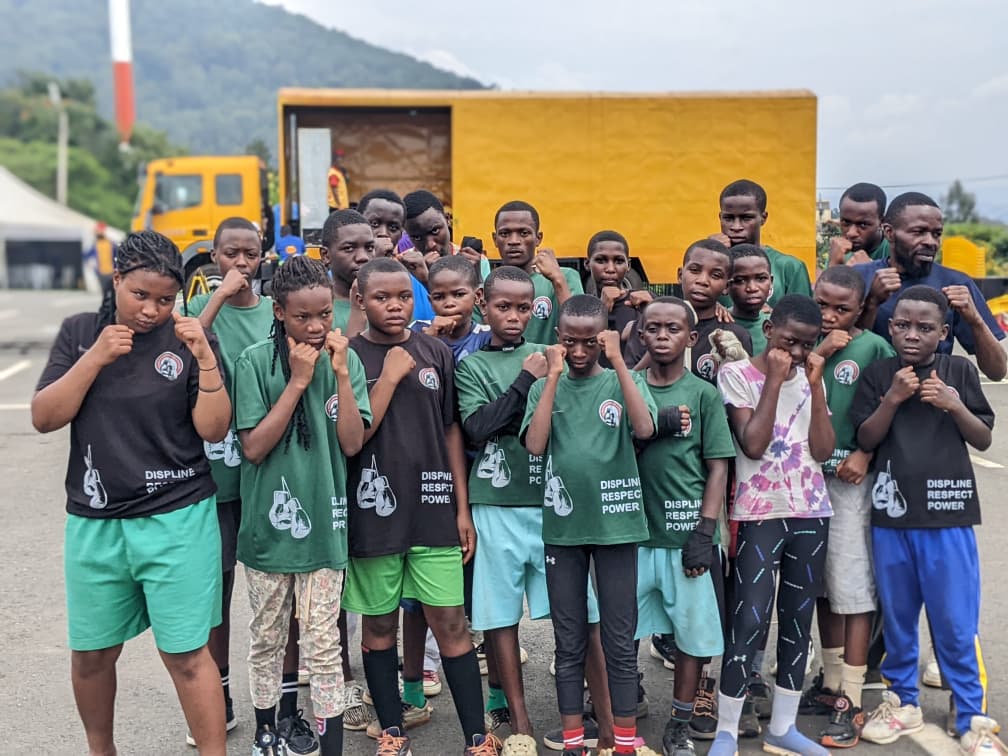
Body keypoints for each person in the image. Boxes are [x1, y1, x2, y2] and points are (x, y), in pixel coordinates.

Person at [32, 230, 232, 756]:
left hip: (178, 518)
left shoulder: (189, 339)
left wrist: (205, 358)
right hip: (96, 523)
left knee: (187, 655)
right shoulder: (81, 333)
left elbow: (214, 430)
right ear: (117, 279)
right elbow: (44, 417)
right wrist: (95, 358)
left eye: (165, 300)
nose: (151, 310)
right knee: (92, 655)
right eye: (140, 294)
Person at [343, 257, 500, 755]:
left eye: (404, 296)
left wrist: (461, 508)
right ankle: (392, 731)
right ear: (359, 300)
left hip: (433, 508)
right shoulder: (347, 357)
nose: (395, 306)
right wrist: (389, 377)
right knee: (379, 623)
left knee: (450, 621)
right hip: (373, 513)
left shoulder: (435, 351)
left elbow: (452, 429)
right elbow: (351, 439)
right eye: (381, 297)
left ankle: (476, 737)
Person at [455, 266, 610, 753]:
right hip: (495, 505)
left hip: (553, 506)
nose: (514, 316)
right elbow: (478, 427)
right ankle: (520, 726)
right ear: (483, 304)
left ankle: (606, 726)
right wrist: (526, 380)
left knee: (582, 615)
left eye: (524, 307)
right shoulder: (473, 365)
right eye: (503, 306)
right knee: (500, 616)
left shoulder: (554, 355)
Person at [851, 286, 1004, 753]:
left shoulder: (959, 370)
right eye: (902, 325)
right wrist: (893, 399)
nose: (912, 335)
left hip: (948, 515)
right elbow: (866, 438)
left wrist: (954, 404)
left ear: (943, 332)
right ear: (890, 327)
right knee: (898, 619)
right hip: (892, 519)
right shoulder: (880, 375)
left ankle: (972, 716)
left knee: (955, 620)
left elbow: (983, 438)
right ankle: (903, 702)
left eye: (925, 328)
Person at [234, 255, 370, 756]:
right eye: (302, 317)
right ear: (279, 312)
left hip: (326, 529)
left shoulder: (345, 360)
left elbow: (352, 443)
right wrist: (296, 382)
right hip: (268, 533)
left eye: (324, 315)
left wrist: (341, 374)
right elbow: (253, 448)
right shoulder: (254, 362)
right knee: (267, 638)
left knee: (324, 644)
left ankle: (331, 747)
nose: (316, 327)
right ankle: (265, 732)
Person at [522, 294, 660, 756]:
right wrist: (552, 376)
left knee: (620, 641)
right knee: (569, 641)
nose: (579, 352)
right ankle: (574, 743)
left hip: (617, 527)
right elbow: (535, 445)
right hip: (563, 531)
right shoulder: (547, 385)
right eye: (569, 342)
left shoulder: (625, 380)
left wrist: (619, 361)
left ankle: (624, 743)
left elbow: (644, 429)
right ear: (557, 339)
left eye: (589, 343)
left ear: (604, 339)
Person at [710, 295, 834, 756]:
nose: (797, 353)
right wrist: (776, 382)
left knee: (799, 620)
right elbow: (754, 444)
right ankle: (726, 730)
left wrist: (815, 388)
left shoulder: (810, 378)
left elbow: (823, 450)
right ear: (768, 330)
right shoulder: (736, 375)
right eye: (788, 341)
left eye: (807, 344)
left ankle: (783, 727)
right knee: (750, 618)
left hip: (811, 512)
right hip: (759, 513)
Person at [183, 217, 275, 747]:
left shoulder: (273, 311)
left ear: (263, 257)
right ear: (214, 257)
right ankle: (217, 696)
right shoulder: (198, 307)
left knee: (274, 594)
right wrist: (218, 298)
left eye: (250, 254)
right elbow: (186, 349)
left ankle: (278, 696)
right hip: (214, 480)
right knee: (215, 593)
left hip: (266, 476)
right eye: (230, 253)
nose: (241, 263)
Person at [633, 296, 735, 756]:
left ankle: (679, 722)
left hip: (684, 534)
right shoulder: (627, 386)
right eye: (653, 328)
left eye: (672, 329)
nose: (661, 336)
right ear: (640, 334)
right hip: (632, 534)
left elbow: (718, 467)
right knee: (620, 631)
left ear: (691, 338)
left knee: (692, 636)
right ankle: (622, 704)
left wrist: (704, 531)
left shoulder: (703, 394)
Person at [800, 266, 895, 748]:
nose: (830, 315)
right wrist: (817, 353)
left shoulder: (874, 348)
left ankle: (852, 700)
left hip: (848, 482)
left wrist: (865, 453)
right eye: (822, 304)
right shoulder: (800, 343)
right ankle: (831, 679)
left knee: (853, 587)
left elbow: (890, 411)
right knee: (821, 585)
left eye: (842, 308)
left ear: (861, 310)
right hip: (803, 480)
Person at [854, 191, 1007, 381]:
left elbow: (997, 371)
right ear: (889, 232)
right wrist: (872, 303)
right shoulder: (859, 278)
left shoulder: (957, 283)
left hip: (933, 395)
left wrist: (976, 320)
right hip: (870, 395)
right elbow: (844, 356)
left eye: (937, 234)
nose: (930, 242)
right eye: (918, 232)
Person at [492, 200, 584, 346]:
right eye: (505, 234)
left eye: (524, 233)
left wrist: (558, 281)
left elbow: (581, 329)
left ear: (538, 238)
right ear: (495, 239)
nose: (514, 241)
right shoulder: (489, 284)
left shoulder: (565, 277)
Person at [716, 179, 812, 306]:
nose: (736, 226)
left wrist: (771, 315)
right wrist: (709, 255)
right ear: (720, 217)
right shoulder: (711, 263)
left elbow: (803, 315)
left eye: (746, 218)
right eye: (728, 218)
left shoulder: (789, 267)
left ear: (763, 218)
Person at [678, 238, 753, 384]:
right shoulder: (656, 325)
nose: (702, 281)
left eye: (715, 275)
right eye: (695, 270)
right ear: (680, 275)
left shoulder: (734, 336)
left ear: (726, 286)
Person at [357, 188, 435, 321]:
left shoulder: (413, 278)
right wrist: (371, 261)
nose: (383, 233)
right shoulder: (338, 276)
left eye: (393, 228)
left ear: (401, 235)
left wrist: (426, 280)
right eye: (374, 224)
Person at [586, 230, 652, 368]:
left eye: (619, 261)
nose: (610, 269)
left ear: (628, 265)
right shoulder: (581, 308)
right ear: (587, 264)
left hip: (636, 379)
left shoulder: (644, 303)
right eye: (601, 260)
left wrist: (651, 314)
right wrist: (601, 310)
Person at [411, 255, 492, 360]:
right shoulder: (417, 330)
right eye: (439, 297)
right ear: (430, 302)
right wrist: (428, 340)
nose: (449, 303)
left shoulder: (487, 336)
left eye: (459, 294)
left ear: (477, 296)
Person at [402, 189, 491, 282]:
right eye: (417, 237)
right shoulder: (405, 267)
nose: (430, 245)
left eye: (435, 231)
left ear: (447, 219)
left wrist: (475, 276)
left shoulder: (475, 260)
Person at [323, 209, 373, 335]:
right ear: (326, 255)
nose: (363, 257)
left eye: (369, 248)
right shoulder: (317, 310)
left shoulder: (389, 305)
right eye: (349, 248)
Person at [727, 244, 773, 355]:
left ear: (771, 282)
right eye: (740, 280)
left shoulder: (779, 326)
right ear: (726, 285)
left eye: (761, 278)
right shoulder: (717, 324)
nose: (752, 288)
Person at [827, 184, 888, 267]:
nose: (851, 233)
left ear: (882, 222)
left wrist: (868, 269)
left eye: (863, 224)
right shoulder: (839, 251)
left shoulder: (895, 252)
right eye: (846, 222)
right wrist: (833, 264)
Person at [84, 222, 117, 296]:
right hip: (100, 272)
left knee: (113, 290)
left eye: (98, 231)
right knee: (105, 291)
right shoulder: (95, 244)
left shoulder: (111, 243)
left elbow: (116, 255)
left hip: (111, 271)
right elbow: (86, 255)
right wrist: (89, 264)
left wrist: (116, 267)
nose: (96, 233)